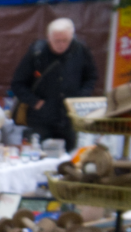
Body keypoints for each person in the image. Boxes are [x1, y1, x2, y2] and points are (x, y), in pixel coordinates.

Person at [9, 17, 98, 151]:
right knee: (39, 158)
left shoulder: (81, 50)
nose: (61, 44)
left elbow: (91, 77)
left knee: (68, 161)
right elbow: (17, 83)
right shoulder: (37, 52)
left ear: (72, 37)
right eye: (57, 40)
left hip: (69, 118)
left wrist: (81, 98)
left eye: (65, 41)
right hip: (41, 119)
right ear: (48, 37)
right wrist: (35, 102)